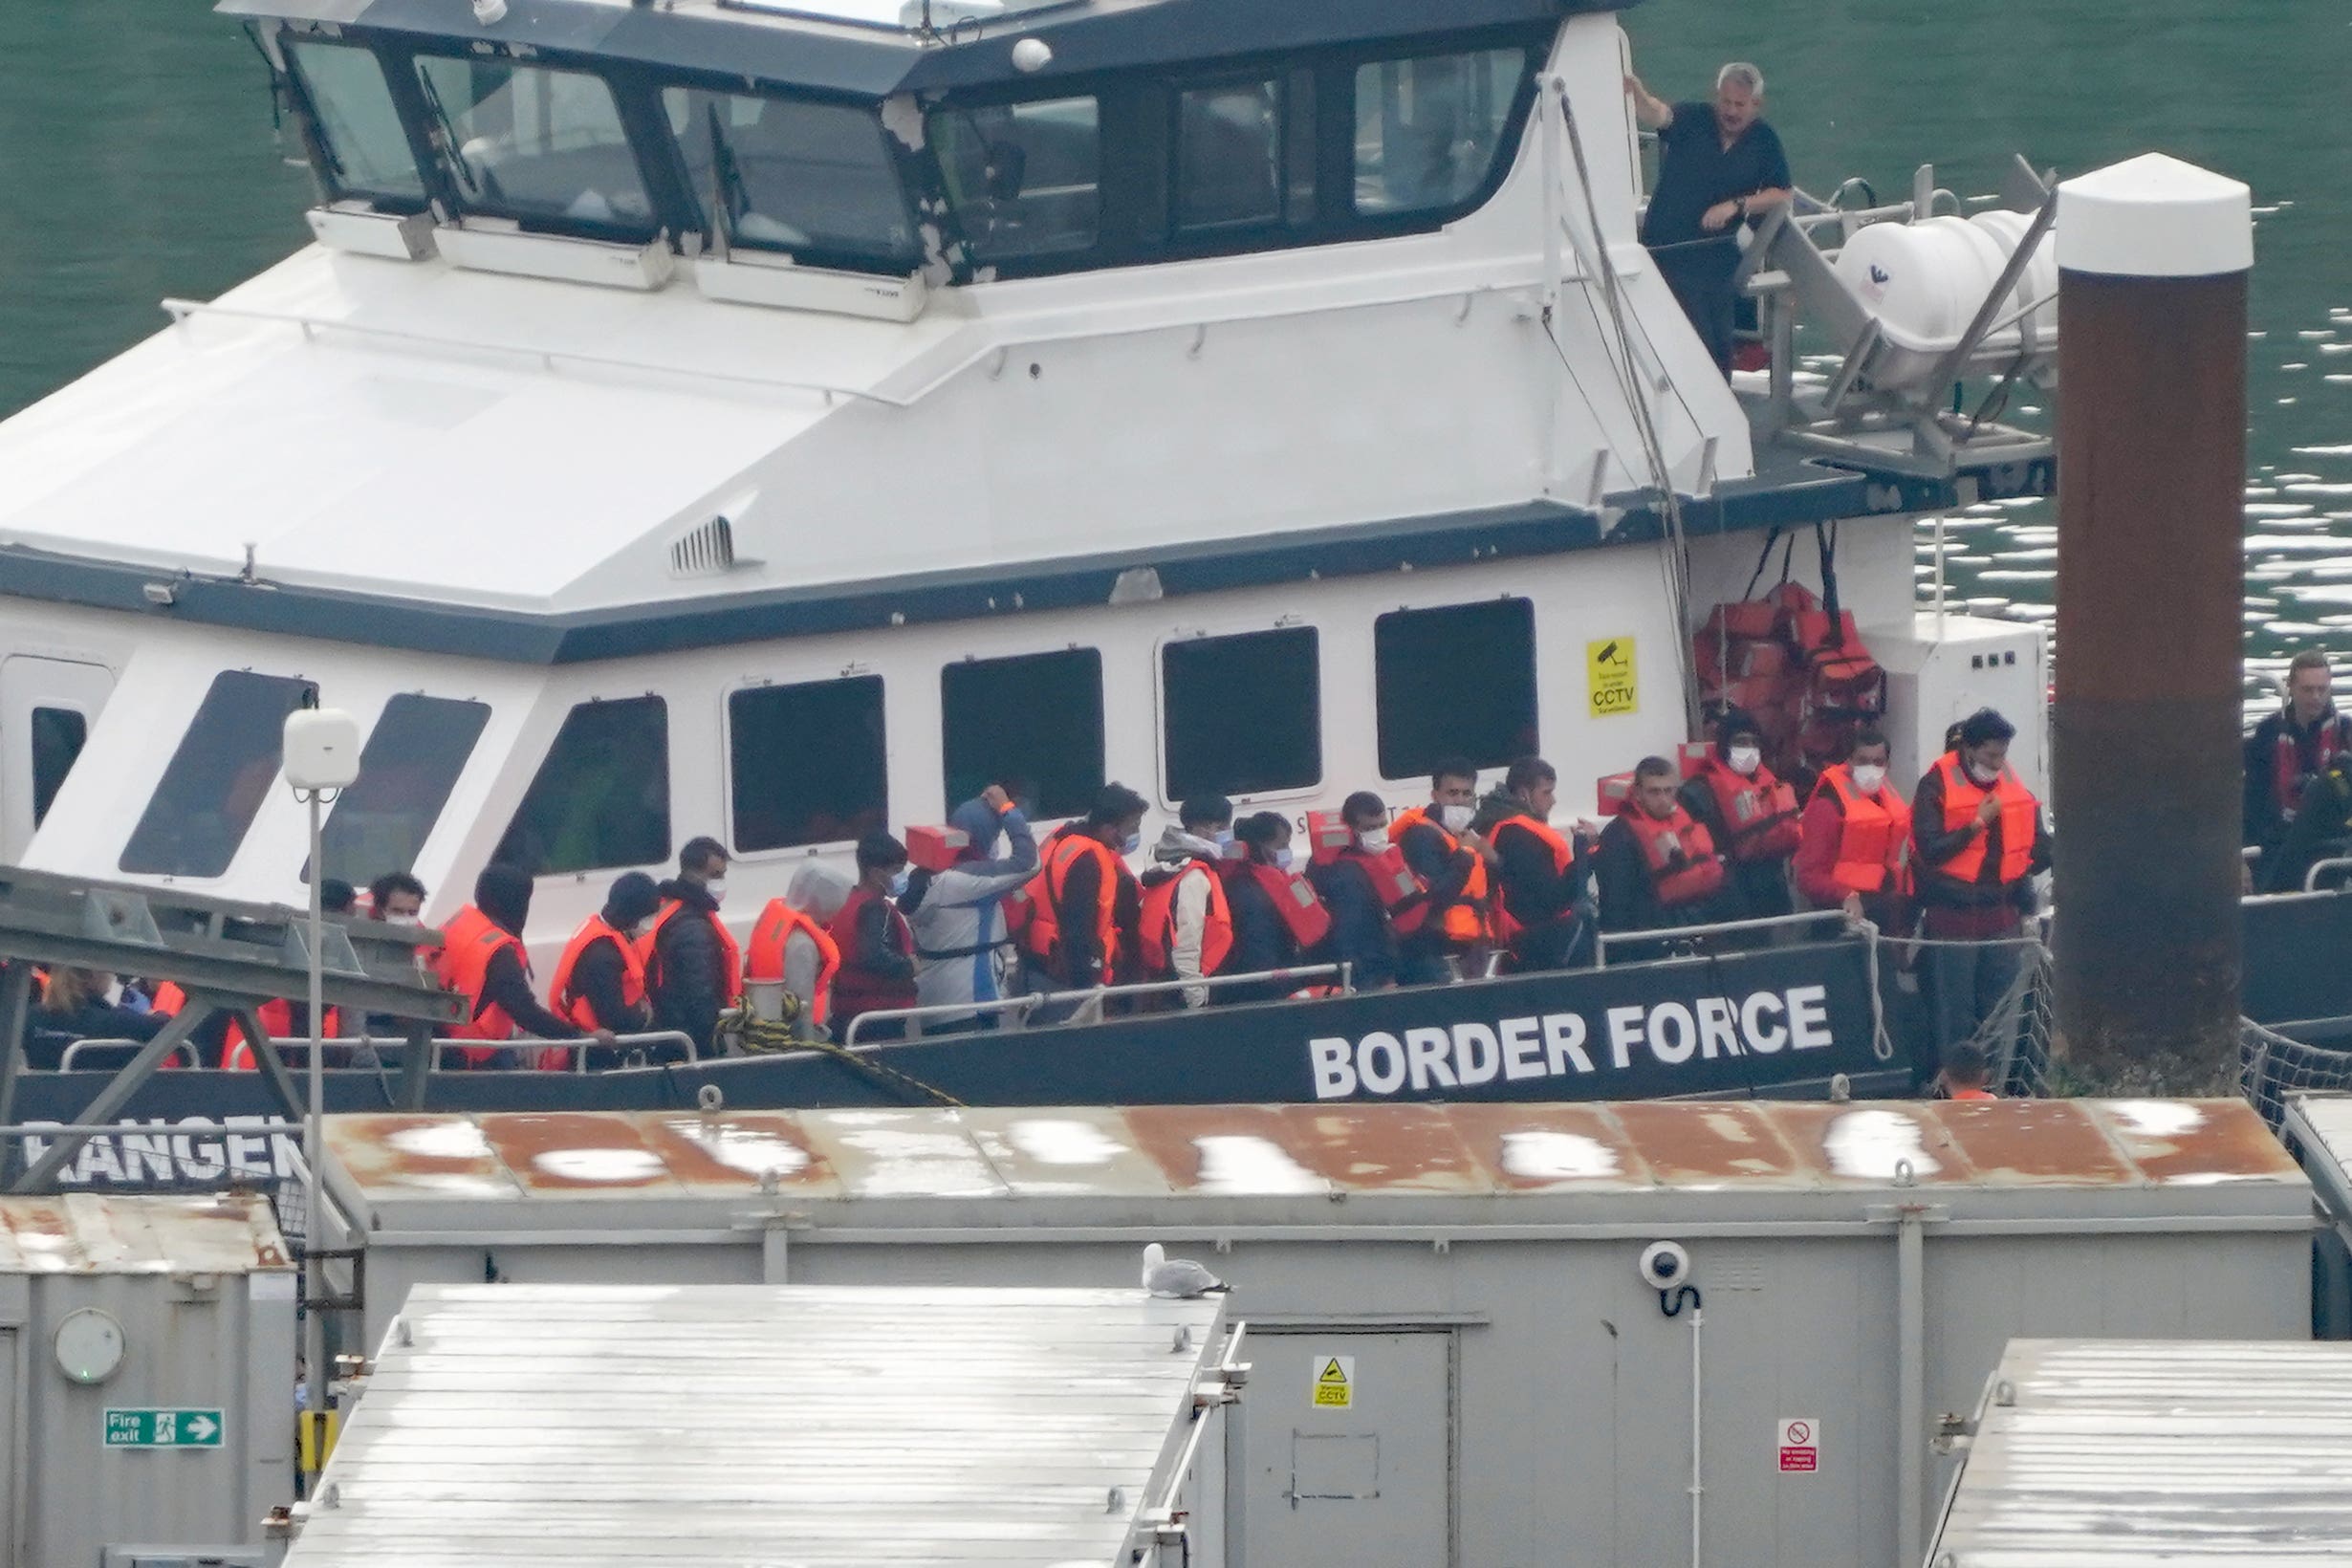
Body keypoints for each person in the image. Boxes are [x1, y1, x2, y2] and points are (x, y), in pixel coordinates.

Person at [1624, 61, 1793, 376]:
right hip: (1668, 252)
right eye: (1725, 102)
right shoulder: (1695, 118)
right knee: (1685, 339)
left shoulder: (1764, 140)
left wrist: (1737, 205)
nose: (1730, 111)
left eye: (1739, 105)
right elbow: (1659, 115)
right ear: (1717, 97)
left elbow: (1781, 194)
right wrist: (1640, 97)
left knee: (1718, 349)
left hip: (1718, 261)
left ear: (1756, 105)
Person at [1911, 708, 2053, 1080]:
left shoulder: (2011, 782)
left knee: (2001, 1009)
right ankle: (1952, 1088)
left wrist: (2025, 887)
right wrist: (1977, 824)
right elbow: (1930, 849)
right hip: (1952, 917)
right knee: (1953, 1011)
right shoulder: (1936, 784)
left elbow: (2033, 846)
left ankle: (1998, 1082)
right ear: (1970, 749)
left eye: (2003, 754)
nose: (1998, 761)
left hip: (2001, 916)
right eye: (1992, 754)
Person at [432, 864, 612, 1069]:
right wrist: (580, 1036)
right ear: (515, 902)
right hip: (475, 1058)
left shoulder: (459, 923)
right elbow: (525, 1011)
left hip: (441, 1041)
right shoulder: (499, 953)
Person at [904, 786, 1038, 1031]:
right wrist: (1008, 810)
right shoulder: (969, 881)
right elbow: (1029, 863)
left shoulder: (925, 877)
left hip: (935, 1004)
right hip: (973, 1002)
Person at [1023, 784, 1148, 1006]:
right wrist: (1086, 989)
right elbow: (1078, 930)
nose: (1133, 834)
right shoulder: (1087, 861)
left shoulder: (1062, 838)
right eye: (1131, 827)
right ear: (1110, 828)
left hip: (1039, 963)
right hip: (1065, 977)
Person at [1681, 709, 1802, 924]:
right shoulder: (1696, 793)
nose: (1748, 749)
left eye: (1753, 743)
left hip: (1772, 895)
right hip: (1727, 903)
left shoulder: (1770, 784)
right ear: (1724, 746)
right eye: (1740, 742)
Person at [1596, 755, 1731, 937]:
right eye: (1654, 792)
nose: (1663, 799)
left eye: (1669, 791)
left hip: (1696, 924)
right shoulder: (1619, 835)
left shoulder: (1689, 820)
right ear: (1637, 793)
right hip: (1649, 934)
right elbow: (1616, 901)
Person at [1796, 727, 1912, 930]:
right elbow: (1808, 876)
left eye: (1878, 762)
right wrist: (1844, 894)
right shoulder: (1828, 806)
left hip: (1883, 909)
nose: (1871, 768)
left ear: (1888, 765)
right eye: (1863, 761)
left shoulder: (1887, 801)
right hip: (1838, 915)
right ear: (1849, 762)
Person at [1390, 760, 1494, 984]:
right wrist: (1465, 854)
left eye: (1467, 794)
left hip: (1469, 944)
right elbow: (1435, 896)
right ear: (1435, 795)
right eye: (1452, 793)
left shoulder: (1468, 833)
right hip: (1435, 948)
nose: (1460, 800)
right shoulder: (1421, 836)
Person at [1485, 758, 1594, 970]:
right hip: (1537, 946)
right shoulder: (1518, 835)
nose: (1553, 800)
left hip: (1533, 942)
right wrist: (1585, 852)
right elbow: (1553, 899)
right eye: (1546, 792)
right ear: (1525, 793)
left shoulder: (1514, 829)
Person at [2244, 649, 2352, 861]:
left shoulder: (2345, 732)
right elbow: (2251, 800)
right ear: (2290, 687)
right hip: (2279, 838)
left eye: (2322, 689)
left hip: (2334, 839)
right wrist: (2241, 859)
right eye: (2308, 690)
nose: (2316, 697)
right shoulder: (2268, 733)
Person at [638, 837, 739, 1059]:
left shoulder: (669, 907)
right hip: (688, 1040)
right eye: (716, 875)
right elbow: (699, 995)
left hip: (667, 1030)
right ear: (694, 874)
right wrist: (712, 1043)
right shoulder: (693, 928)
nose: (721, 882)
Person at [1308, 792, 1416, 991]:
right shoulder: (1344, 871)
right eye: (1369, 828)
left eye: (1382, 825)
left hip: (1377, 964)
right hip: (1366, 973)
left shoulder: (1377, 858)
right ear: (1351, 829)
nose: (1378, 833)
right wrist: (1378, 974)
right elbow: (1352, 930)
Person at [1220, 812, 1331, 1003]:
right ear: (1261, 846)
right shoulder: (1245, 889)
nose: (1287, 851)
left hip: (1285, 979)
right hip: (1265, 988)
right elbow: (1257, 948)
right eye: (1281, 846)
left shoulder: (1276, 880)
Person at [1139, 795, 1234, 1009]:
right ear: (1206, 827)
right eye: (1225, 827)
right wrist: (1195, 997)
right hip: (1184, 991)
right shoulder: (1193, 877)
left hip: (1166, 983)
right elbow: (1186, 942)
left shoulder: (1170, 865)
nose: (1229, 833)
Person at [547, 871, 661, 1040]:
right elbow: (614, 1019)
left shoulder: (603, 932)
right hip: (600, 1048)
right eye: (649, 916)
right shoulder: (602, 955)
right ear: (633, 916)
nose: (652, 921)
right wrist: (645, 1015)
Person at [829, 833, 919, 1039]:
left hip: (846, 1014)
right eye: (897, 870)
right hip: (877, 1019)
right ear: (876, 873)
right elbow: (872, 954)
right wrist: (908, 965)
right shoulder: (875, 909)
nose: (902, 875)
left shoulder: (846, 901)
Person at [746, 862, 850, 1037]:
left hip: (766, 1029)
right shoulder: (802, 944)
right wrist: (806, 1047)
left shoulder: (777, 926)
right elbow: (799, 1005)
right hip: (793, 1039)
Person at [24, 969, 169, 1071]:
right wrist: (157, 1014)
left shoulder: (31, 1018)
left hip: (40, 1107)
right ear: (94, 975)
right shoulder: (114, 1022)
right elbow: (167, 1027)